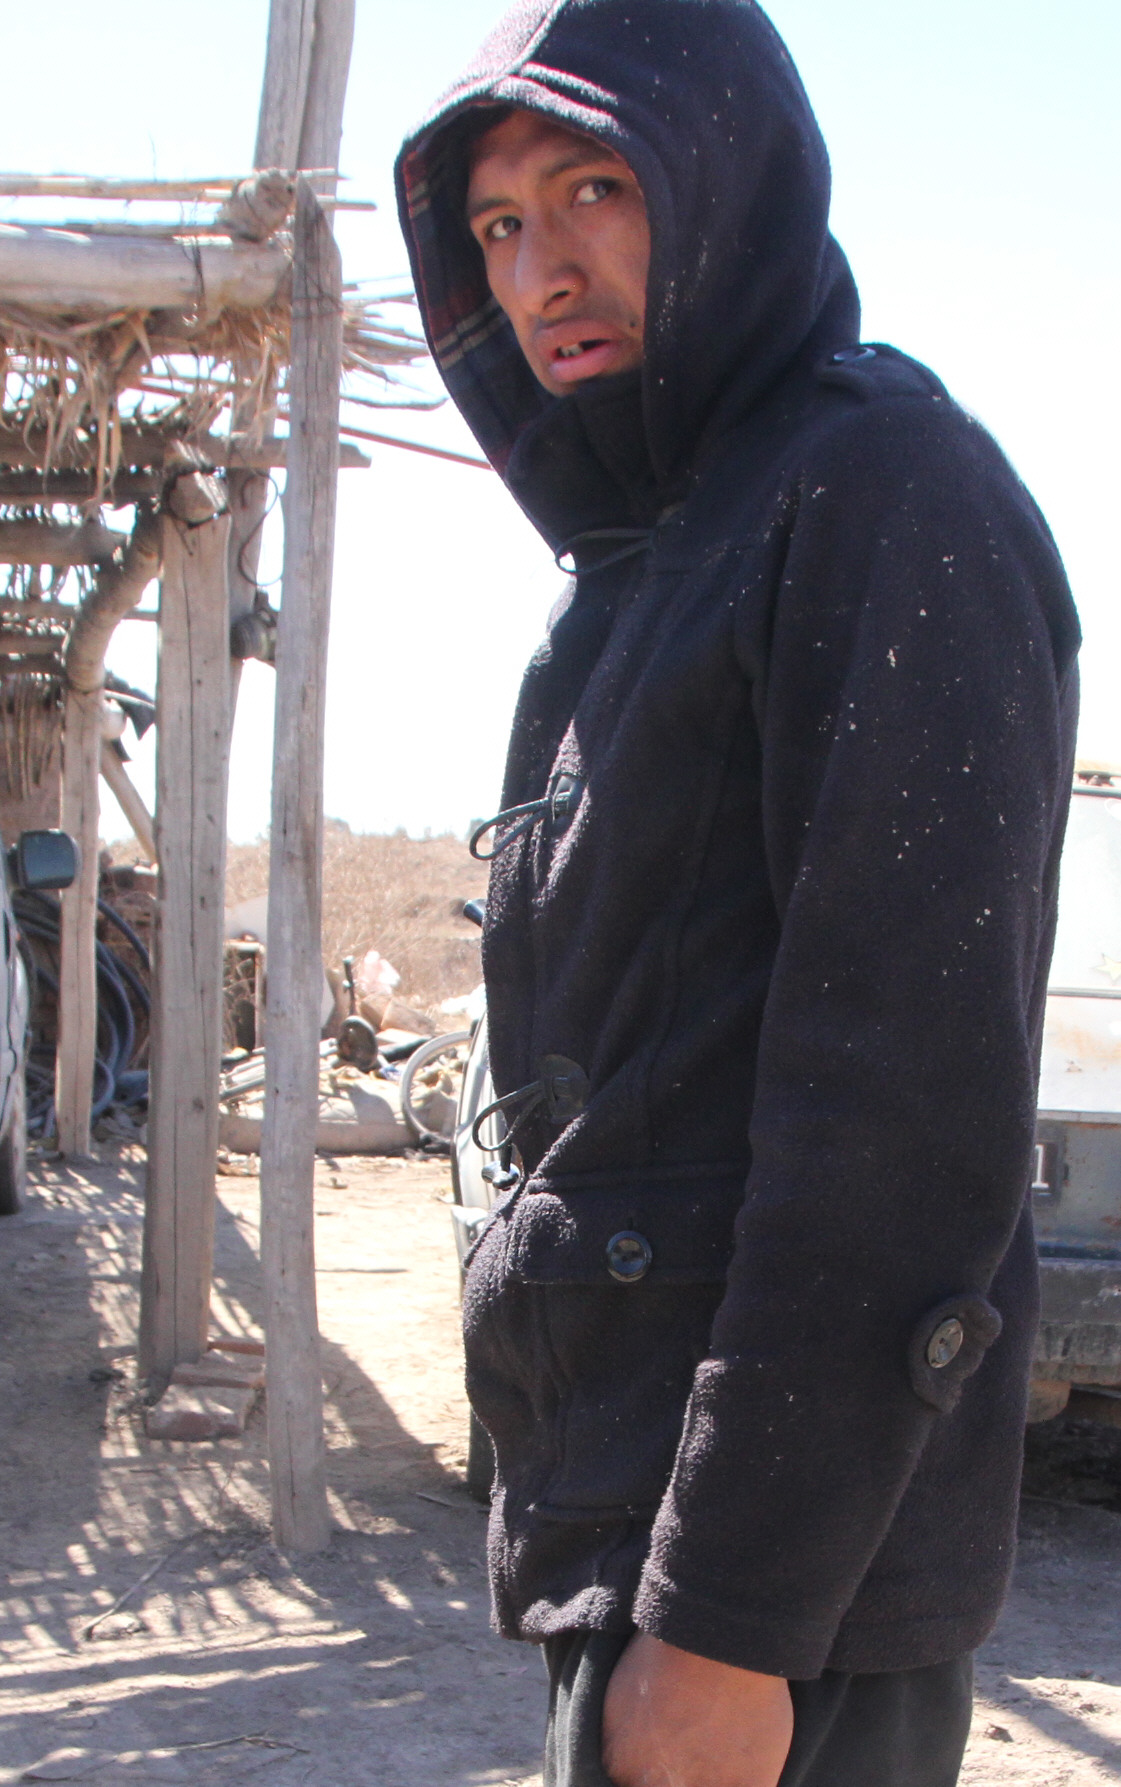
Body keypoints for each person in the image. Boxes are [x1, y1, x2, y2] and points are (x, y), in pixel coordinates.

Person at [394, 4, 1077, 1783]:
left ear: (728, 176)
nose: (538, 270)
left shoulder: (880, 491)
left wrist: (725, 1624)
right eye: (496, 225)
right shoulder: (664, 547)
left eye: (592, 188)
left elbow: (901, 1117)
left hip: (775, 1603)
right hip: (649, 1539)